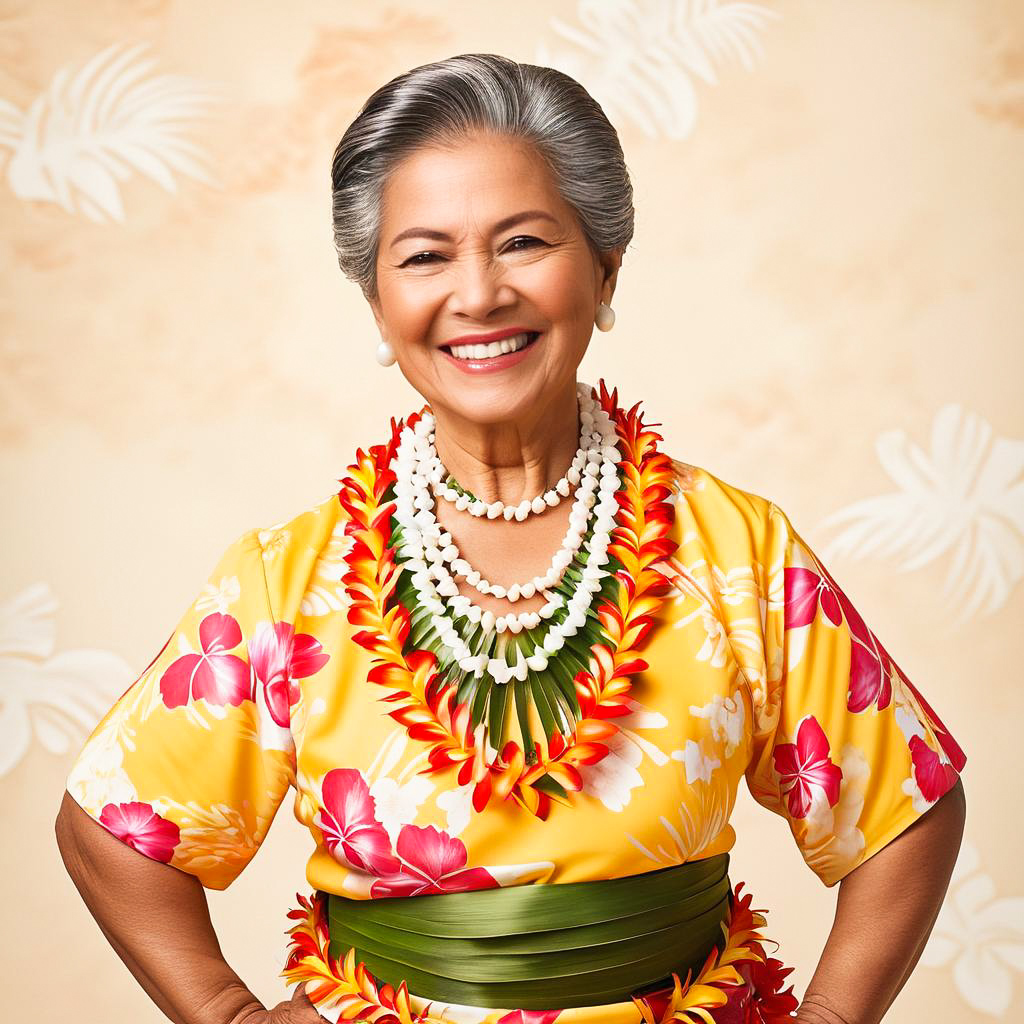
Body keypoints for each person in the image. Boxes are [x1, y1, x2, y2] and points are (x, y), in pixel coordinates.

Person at [55, 53, 967, 1024]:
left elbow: (904, 806)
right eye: (424, 255)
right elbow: (110, 827)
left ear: (604, 265)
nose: (479, 293)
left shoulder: (733, 551)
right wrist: (228, 1013)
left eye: (523, 241)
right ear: (377, 301)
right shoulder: (292, 581)